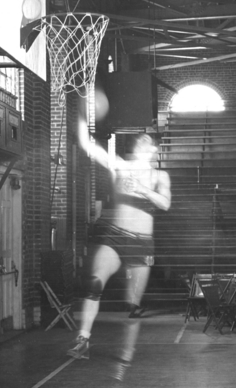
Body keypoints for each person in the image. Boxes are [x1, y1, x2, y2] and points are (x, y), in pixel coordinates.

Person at [67, 97, 171, 370]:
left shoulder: (160, 176)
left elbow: (165, 204)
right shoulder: (122, 166)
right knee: (93, 283)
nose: (142, 144)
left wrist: (142, 189)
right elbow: (90, 147)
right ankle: (83, 339)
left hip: (141, 243)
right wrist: (80, 118)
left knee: (131, 304)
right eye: (140, 141)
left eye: (148, 143)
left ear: (155, 151)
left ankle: (128, 346)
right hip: (116, 236)